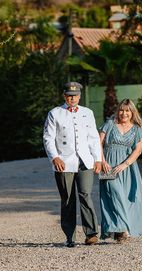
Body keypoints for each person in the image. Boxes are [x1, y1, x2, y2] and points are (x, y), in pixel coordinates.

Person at [43, 81, 103, 248]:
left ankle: (91, 233)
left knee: (86, 195)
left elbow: (93, 137)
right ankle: (70, 236)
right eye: (69, 96)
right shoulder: (55, 113)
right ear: (64, 96)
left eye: (75, 95)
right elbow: (48, 138)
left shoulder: (87, 112)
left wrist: (97, 158)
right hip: (64, 162)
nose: (72, 98)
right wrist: (55, 157)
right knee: (68, 199)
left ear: (79, 96)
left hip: (85, 161)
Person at [98, 98, 142, 241]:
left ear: (132, 112)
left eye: (127, 110)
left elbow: (138, 150)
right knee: (115, 196)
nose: (124, 113)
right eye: (121, 110)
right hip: (109, 167)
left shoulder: (136, 129)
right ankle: (123, 229)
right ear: (118, 111)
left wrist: (125, 164)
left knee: (126, 198)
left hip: (127, 168)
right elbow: (98, 143)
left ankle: (120, 230)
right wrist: (102, 161)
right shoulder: (109, 124)